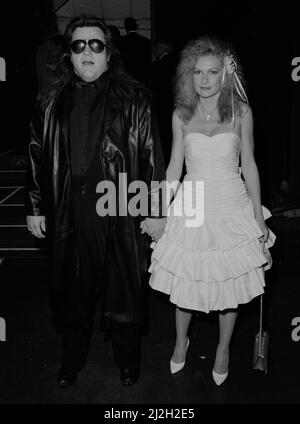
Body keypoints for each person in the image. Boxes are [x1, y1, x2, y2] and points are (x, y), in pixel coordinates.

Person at [26, 14, 165, 389]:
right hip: (69, 210)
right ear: (69, 56)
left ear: (108, 55)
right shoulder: (50, 101)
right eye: (78, 45)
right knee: (72, 292)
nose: (87, 51)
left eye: (96, 44)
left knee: (122, 290)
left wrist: (154, 210)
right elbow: (37, 154)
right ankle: (71, 360)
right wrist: (36, 206)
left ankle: (127, 361)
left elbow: (153, 157)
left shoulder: (135, 98)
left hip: (118, 207)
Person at [143, 36, 276, 386]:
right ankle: (180, 341)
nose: (203, 79)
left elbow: (249, 164)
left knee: (229, 284)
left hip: (232, 205)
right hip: (193, 204)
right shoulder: (180, 114)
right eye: (197, 72)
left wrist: (259, 218)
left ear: (225, 75)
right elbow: (174, 168)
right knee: (187, 281)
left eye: (212, 72)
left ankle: (222, 350)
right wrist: (159, 210)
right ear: (189, 75)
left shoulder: (241, 112)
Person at [119, 17, 151, 86]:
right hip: (142, 77)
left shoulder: (120, 41)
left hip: (126, 77)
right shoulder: (146, 41)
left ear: (125, 27)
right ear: (136, 26)